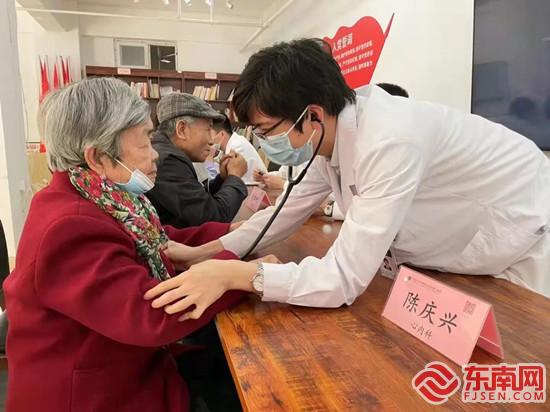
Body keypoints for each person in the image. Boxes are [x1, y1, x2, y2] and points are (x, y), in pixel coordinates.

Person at [145, 38, 550, 315]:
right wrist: (206, 252)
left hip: (520, 234)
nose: (265, 143)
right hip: (453, 244)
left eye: (267, 130)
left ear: (312, 115)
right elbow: (281, 214)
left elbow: (342, 280)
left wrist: (238, 275)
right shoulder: (330, 135)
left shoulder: (390, 139)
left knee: (520, 347)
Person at [2, 77, 248, 412]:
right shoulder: (69, 225)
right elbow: (149, 315)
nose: (156, 154)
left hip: (127, 365)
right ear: (99, 158)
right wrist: (240, 274)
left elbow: (158, 241)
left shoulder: (97, 196)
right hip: (94, 395)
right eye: (145, 142)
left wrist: (233, 233)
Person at [146, 93, 248, 228]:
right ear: (182, 129)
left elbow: (197, 200)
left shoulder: (166, 152)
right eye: (208, 129)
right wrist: (235, 177)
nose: (211, 141)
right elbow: (212, 218)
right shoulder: (168, 161)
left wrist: (223, 179)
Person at [211, 112, 267, 184]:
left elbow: (222, 183)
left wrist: (208, 161)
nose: (207, 139)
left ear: (222, 134)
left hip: (253, 188)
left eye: (209, 134)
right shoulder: (233, 142)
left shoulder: (236, 148)